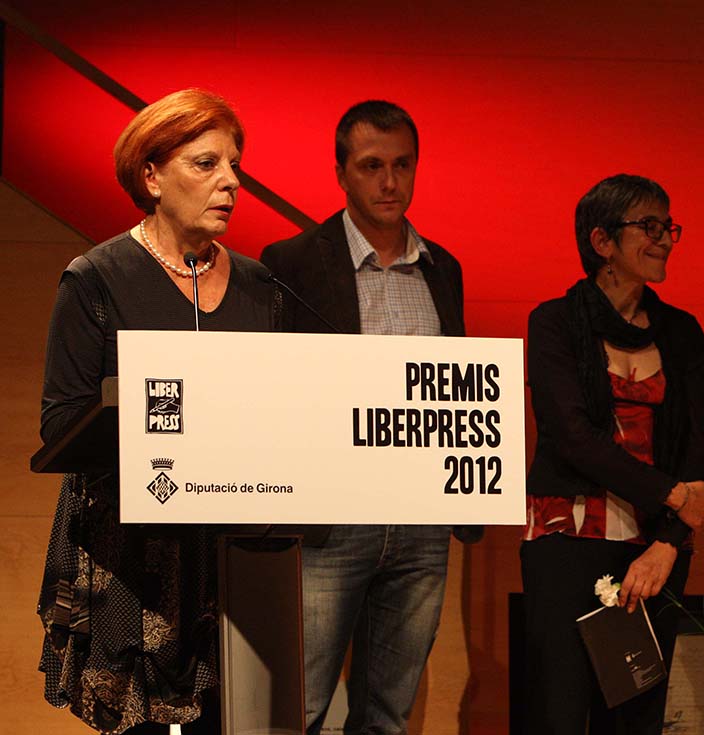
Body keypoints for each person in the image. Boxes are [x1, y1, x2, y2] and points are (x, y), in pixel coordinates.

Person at [37, 89, 280, 734]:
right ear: (151, 176)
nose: (231, 182)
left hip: (237, 552)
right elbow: (61, 425)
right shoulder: (97, 278)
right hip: (134, 554)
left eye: (235, 165)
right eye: (206, 164)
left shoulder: (261, 286)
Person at [260, 99, 474, 735]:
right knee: (298, 707)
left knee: (387, 715)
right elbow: (273, 385)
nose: (389, 182)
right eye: (372, 166)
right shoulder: (293, 262)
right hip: (334, 514)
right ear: (341, 174)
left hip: (423, 515)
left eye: (402, 165)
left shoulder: (443, 268)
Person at [522, 173, 704, 735]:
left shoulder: (683, 332)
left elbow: (699, 451)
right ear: (602, 241)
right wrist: (674, 495)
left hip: (656, 548)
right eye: (648, 226)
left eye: (668, 227)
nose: (664, 239)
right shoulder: (554, 322)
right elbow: (572, 438)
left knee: (637, 717)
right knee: (560, 714)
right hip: (567, 537)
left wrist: (668, 543)